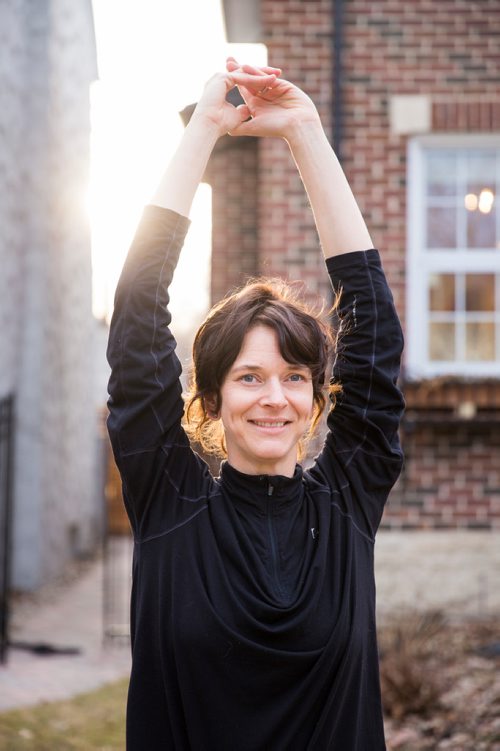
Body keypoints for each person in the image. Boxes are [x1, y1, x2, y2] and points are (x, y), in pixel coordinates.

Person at [107, 58, 405, 751]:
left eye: (296, 377)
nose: (275, 397)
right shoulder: (169, 497)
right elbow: (137, 319)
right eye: (249, 378)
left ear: (316, 398)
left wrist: (306, 134)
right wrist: (204, 131)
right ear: (209, 399)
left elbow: (375, 335)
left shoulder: (348, 501)